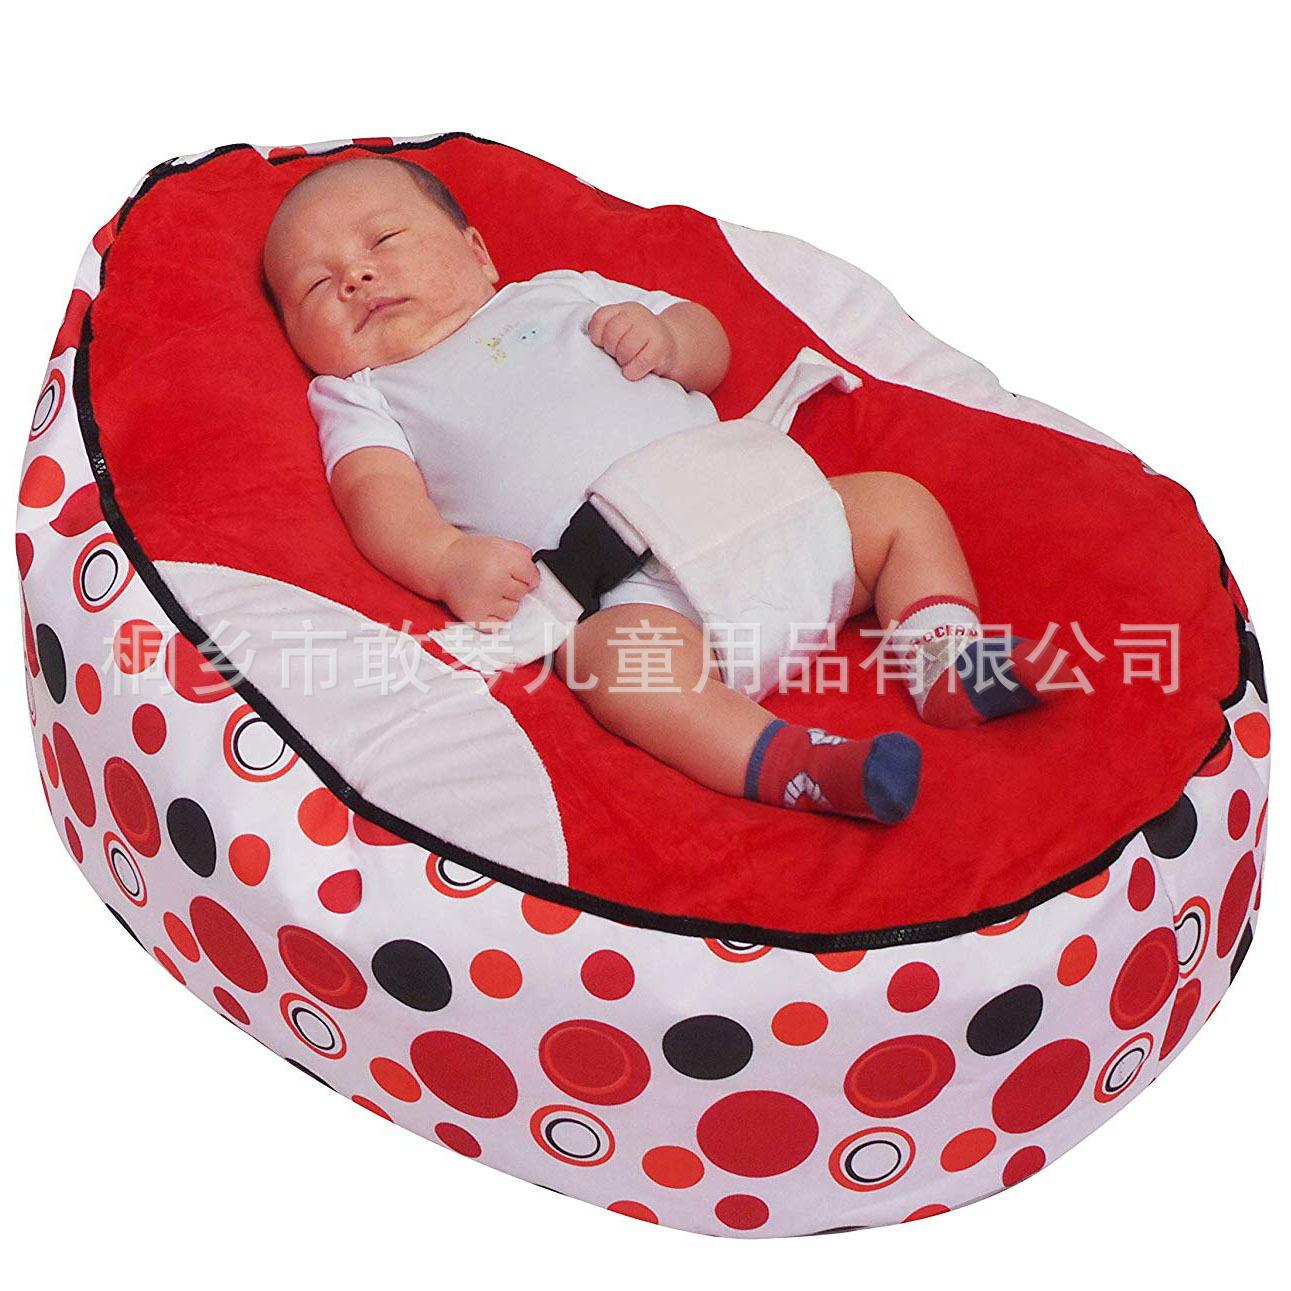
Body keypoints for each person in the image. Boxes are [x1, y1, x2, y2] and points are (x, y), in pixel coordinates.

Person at [263, 157, 1069, 825]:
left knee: (895, 506)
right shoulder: (365, 393)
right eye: (315, 286)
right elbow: (377, 494)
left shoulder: (561, 292)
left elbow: (706, 341)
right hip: (634, 592)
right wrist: (445, 560)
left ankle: (944, 658)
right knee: (615, 670)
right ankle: (792, 761)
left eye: (384, 240)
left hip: (768, 509)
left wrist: (672, 339)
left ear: (477, 252)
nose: (355, 275)